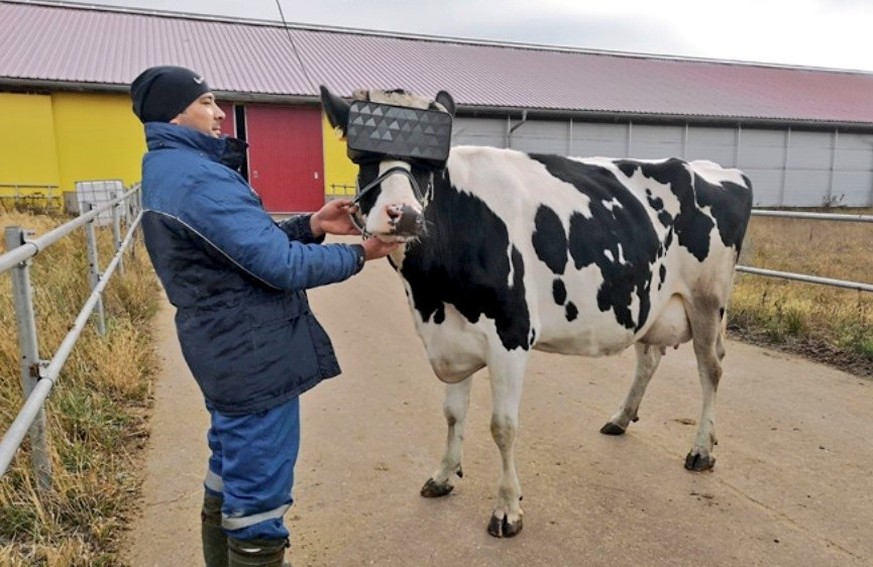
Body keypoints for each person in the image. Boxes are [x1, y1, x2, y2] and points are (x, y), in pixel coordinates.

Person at [130, 65, 398, 567]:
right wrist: (362, 253)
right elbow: (280, 265)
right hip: (250, 352)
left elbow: (244, 251)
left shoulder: (175, 170)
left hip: (226, 345)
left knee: (230, 473)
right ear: (175, 112)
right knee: (259, 501)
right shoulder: (196, 179)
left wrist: (313, 224)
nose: (219, 112)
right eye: (207, 101)